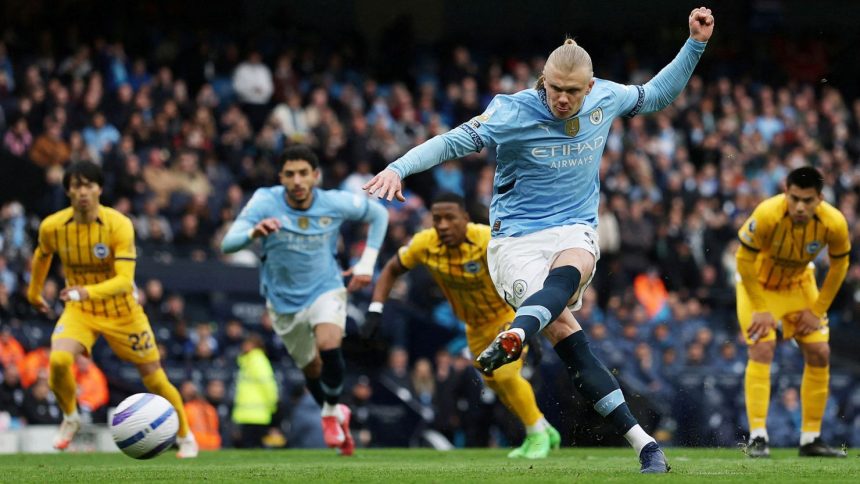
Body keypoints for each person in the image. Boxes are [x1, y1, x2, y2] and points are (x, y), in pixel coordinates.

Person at [364, 7, 715, 473]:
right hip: (514, 242)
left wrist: (695, 43)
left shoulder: (605, 97)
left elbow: (656, 95)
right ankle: (641, 441)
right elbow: (450, 141)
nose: (563, 100)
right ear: (541, 81)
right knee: (570, 338)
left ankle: (638, 439)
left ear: (589, 88)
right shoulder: (511, 111)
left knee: (573, 271)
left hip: (573, 228)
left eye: (573, 92)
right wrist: (397, 167)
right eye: (555, 90)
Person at [221, 145, 388, 456]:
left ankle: (329, 412)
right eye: (289, 174)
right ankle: (337, 412)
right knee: (311, 367)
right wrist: (253, 233)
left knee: (329, 344)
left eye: (302, 173)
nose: (297, 180)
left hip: (326, 287)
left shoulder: (333, 202)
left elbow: (379, 213)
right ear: (280, 178)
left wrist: (366, 263)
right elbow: (228, 244)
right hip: (283, 302)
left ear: (315, 176)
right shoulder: (264, 200)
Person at [366, 192, 561, 458]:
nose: (443, 225)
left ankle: (536, 434)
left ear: (465, 218)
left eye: (450, 218)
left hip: (505, 318)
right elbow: (391, 268)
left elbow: (522, 275)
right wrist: (376, 308)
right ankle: (544, 426)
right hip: (473, 327)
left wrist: (531, 324)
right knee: (495, 383)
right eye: (437, 219)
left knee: (505, 375)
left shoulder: (486, 239)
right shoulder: (425, 244)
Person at [26, 161, 197, 457]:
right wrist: (33, 293)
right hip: (82, 311)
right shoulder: (53, 226)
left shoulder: (119, 224)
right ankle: (70, 417)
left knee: (154, 378)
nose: (83, 192)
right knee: (58, 361)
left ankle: (185, 435)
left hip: (123, 312)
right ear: (68, 190)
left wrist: (83, 291)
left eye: (89, 185)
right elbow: (42, 256)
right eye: (77, 185)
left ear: (99, 189)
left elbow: (123, 281)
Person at [735, 166, 848, 458]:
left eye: (807, 200)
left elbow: (840, 266)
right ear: (786, 191)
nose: (800, 206)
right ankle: (758, 437)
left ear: (820, 198)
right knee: (763, 348)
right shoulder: (766, 213)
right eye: (795, 198)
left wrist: (818, 310)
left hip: (799, 286)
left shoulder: (834, 222)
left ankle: (811, 439)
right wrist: (760, 309)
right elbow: (743, 260)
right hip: (758, 287)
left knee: (820, 352)